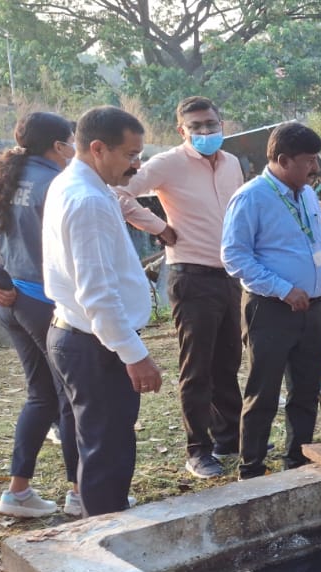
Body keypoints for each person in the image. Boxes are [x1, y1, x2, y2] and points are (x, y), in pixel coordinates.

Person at [115, 97, 247, 480]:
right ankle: (198, 449)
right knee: (197, 367)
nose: (205, 132)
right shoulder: (168, 163)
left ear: (222, 122)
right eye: (196, 127)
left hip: (229, 274)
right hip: (191, 275)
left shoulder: (232, 163)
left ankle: (229, 439)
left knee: (228, 362)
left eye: (211, 124)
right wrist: (158, 226)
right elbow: (120, 192)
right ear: (182, 131)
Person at [41, 106, 162, 517]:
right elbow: (97, 293)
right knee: (107, 448)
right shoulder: (87, 199)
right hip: (94, 341)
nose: (136, 164)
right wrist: (135, 354)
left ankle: (98, 512)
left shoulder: (77, 184)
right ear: (97, 148)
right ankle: (107, 530)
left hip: (78, 334)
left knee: (94, 439)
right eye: (130, 154)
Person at [222, 122, 321, 479]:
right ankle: (252, 468)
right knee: (263, 391)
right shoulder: (251, 196)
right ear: (281, 159)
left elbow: (316, 248)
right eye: (308, 161)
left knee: (305, 389)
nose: (315, 168)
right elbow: (234, 256)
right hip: (271, 309)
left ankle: (297, 460)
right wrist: (283, 289)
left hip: (313, 307)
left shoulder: (306, 193)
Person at [0, 112, 79, 517]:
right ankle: (79, 491)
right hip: (46, 304)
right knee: (71, 396)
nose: (73, 149)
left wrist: (1, 284)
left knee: (41, 395)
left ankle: (17, 492)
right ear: (58, 146)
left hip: (15, 302)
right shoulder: (55, 184)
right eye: (70, 141)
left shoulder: (9, 181)